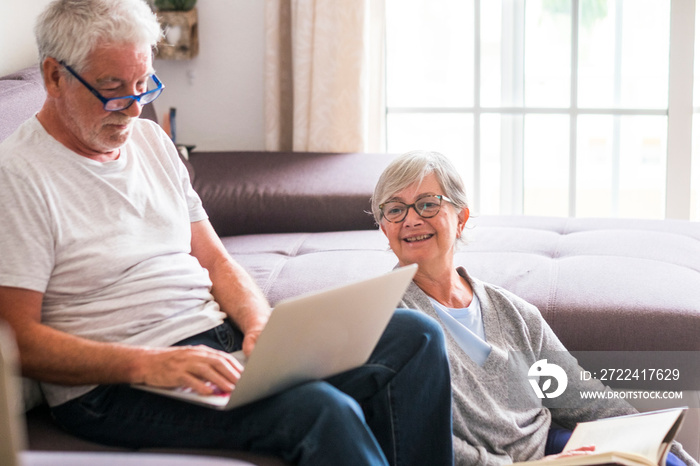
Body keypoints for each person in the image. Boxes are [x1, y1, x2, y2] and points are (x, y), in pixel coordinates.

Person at [0, 1, 455, 464]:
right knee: (319, 411)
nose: (134, 107)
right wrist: (151, 363)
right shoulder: (18, 176)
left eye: (143, 85)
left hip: (217, 341)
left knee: (416, 336)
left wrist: (260, 326)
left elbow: (215, 260)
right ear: (55, 76)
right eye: (112, 89)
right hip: (112, 386)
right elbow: (17, 339)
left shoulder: (151, 141)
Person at [371, 150, 697, 466]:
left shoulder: (515, 313)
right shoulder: (387, 320)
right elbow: (417, 437)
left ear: (461, 218)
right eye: (395, 210)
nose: (411, 219)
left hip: (552, 449)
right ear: (384, 227)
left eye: (428, 205)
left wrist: (665, 448)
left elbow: (586, 400)